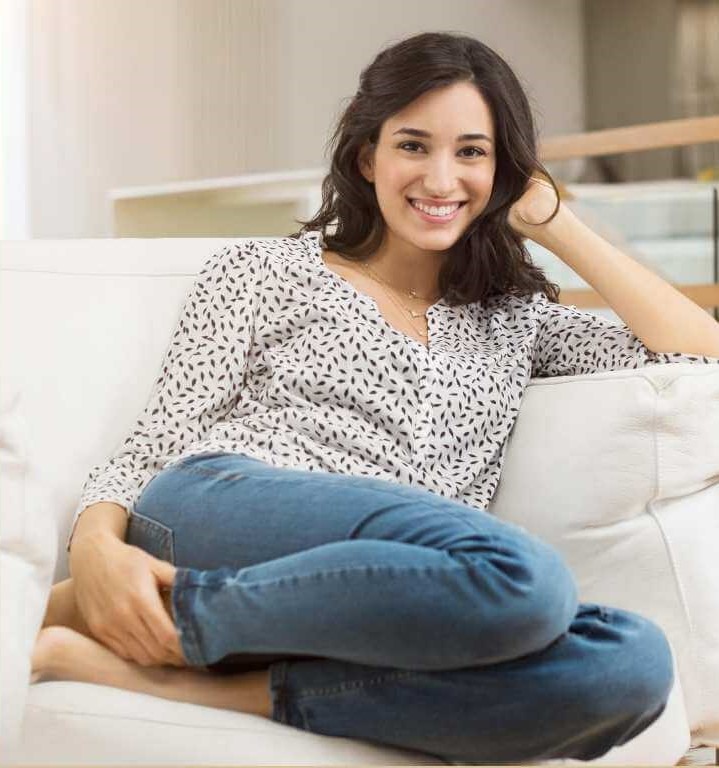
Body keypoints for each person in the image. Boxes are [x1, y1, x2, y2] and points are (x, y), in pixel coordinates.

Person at [34, 31, 719, 764]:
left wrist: (557, 222)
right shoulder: (264, 270)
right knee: (525, 579)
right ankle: (147, 616)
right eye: (414, 145)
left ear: (505, 171)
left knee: (630, 664)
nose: (440, 177)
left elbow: (694, 351)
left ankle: (201, 670)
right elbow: (157, 442)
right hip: (225, 501)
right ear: (368, 157)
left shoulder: (515, 321)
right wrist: (97, 552)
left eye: (472, 152)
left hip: (386, 592)